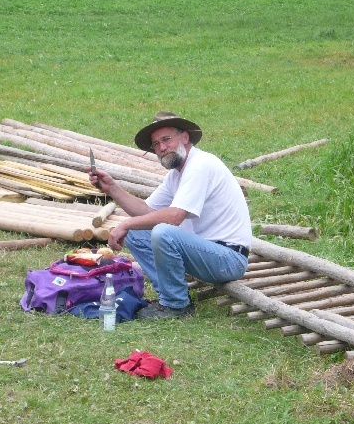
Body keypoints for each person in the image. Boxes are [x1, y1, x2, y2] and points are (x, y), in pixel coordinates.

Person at [88, 111, 252, 319]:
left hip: (228, 260)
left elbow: (175, 216)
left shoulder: (200, 166)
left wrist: (127, 223)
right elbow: (146, 211)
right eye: (156, 144)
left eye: (166, 139)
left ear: (185, 137)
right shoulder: (177, 173)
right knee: (136, 233)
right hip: (205, 252)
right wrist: (112, 187)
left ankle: (176, 304)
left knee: (163, 232)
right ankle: (169, 295)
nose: (162, 148)